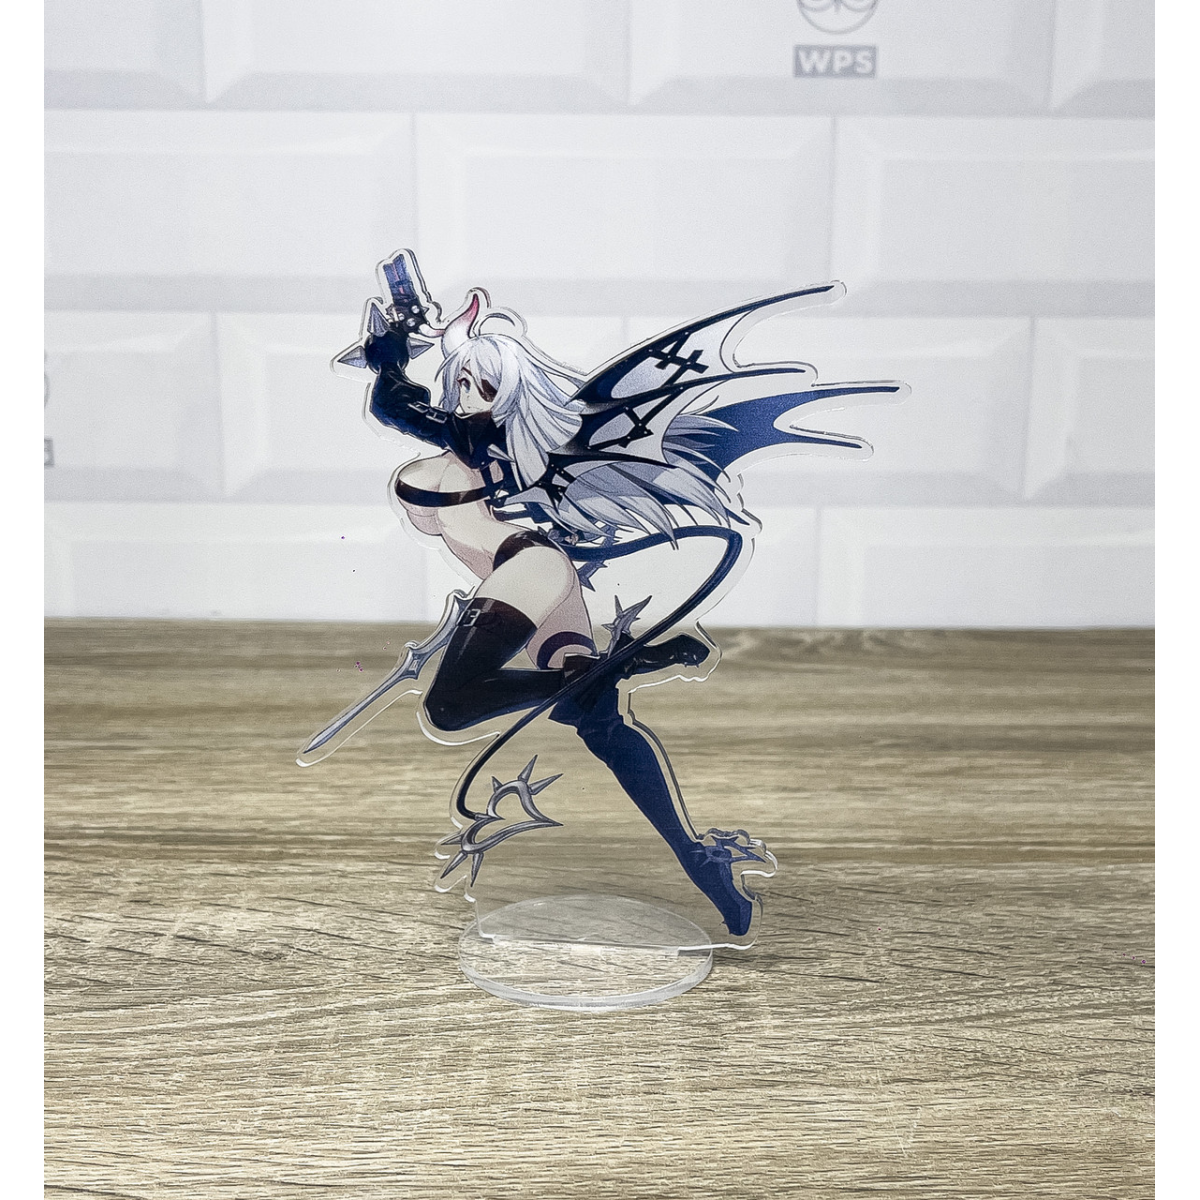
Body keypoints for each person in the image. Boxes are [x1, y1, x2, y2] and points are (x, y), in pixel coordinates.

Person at [360, 283, 761, 936]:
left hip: (530, 569)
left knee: (449, 706)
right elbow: (400, 407)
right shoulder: (467, 441)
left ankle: (620, 665)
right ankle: (698, 859)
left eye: (484, 386)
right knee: (600, 721)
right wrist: (394, 352)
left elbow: (402, 408)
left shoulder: (496, 443)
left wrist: (396, 354)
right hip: (531, 583)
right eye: (460, 382)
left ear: (511, 396)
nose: (466, 396)